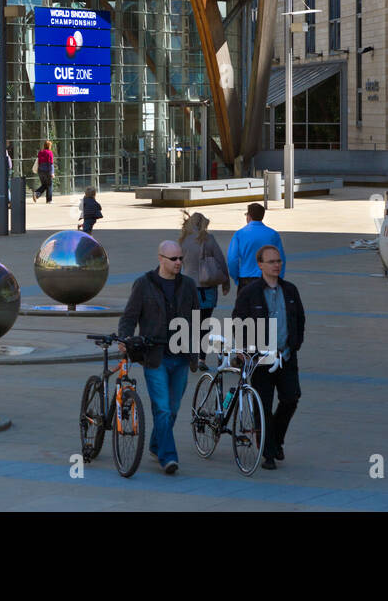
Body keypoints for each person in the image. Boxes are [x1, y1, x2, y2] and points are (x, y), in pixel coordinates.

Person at [117, 240, 199, 475]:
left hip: (181, 356)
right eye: (174, 259)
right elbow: (130, 316)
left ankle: (156, 444)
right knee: (162, 408)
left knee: (172, 408)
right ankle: (168, 457)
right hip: (155, 357)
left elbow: (196, 319)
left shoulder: (188, 285)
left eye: (181, 258)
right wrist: (125, 338)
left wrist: (197, 350)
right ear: (161, 258)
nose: (179, 263)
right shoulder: (144, 284)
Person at [232, 244, 305, 470]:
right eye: (272, 262)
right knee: (262, 405)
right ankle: (268, 453)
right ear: (260, 265)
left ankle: (276, 439)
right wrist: (243, 349)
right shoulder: (250, 292)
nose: (276, 265)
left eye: (279, 261)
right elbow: (238, 322)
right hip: (260, 359)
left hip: (285, 356)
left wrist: (295, 344)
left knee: (290, 398)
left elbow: (300, 319)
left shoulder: (290, 290)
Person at [179, 211, 229, 371]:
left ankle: (189, 356)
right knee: (204, 324)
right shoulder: (209, 239)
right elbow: (220, 261)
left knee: (190, 324)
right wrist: (226, 281)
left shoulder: (182, 241)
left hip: (188, 288)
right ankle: (201, 358)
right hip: (207, 289)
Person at [226, 202, 287, 293]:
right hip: (268, 278)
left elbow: (232, 259)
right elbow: (281, 258)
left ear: (249, 216)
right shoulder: (273, 234)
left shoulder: (240, 234)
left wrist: (236, 277)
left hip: (246, 278)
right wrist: (278, 277)